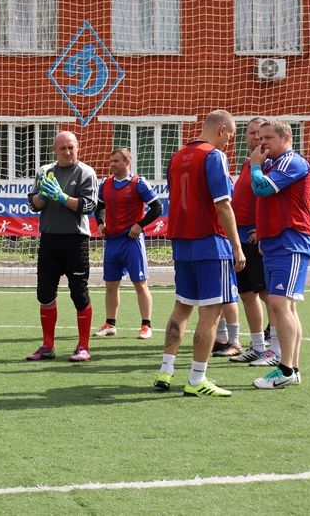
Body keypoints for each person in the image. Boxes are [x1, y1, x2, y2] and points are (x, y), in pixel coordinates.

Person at [153, 110, 245, 397]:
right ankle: (196, 379)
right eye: (230, 136)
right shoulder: (214, 156)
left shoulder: (176, 157)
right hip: (211, 244)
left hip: (181, 243)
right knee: (210, 314)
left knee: (181, 307)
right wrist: (237, 246)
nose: (229, 142)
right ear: (222, 130)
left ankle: (166, 369)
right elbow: (223, 205)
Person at [249, 120, 310, 389]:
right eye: (260, 137)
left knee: (279, 303)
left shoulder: (292, 162)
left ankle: (285, 369)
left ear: (286, 138)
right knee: (285, 306)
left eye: (268, 137)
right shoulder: (273, 164)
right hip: (275, 243)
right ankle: (292, 368)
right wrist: (264, 236)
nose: (262, 142)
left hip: (291, 242)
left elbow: (262, 188)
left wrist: (254, 165)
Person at [25, 131, 98, 363]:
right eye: (63, 148)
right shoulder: (44, 171)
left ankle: (83, 346)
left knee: (79, 294)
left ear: (78, 148)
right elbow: (34, 204)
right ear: (54, 150)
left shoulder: (86, 172)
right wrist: (44, 195)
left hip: (76, 241)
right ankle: (47, 346)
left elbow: (89, 206)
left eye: (71, 147)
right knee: (45, 294)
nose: (67, 152)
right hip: (49, 240)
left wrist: (61, 196)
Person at [93, 147, 163, 340]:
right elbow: (100, 207)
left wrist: (139, 225)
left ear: (126, 162)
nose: (112, 164)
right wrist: (100, 223)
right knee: (110, 285)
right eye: (111, 161)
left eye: (116, 161)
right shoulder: (105, 183)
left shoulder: (138, 183)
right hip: (112, 242)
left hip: (132, 242)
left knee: (140, 283)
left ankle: (146, 325)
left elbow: (157, 208)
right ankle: (110, 324)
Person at [228, 117, 273, 364]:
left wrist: (263, 228)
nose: (256, 137)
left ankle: (274, 344)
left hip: (255, 239)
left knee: (266, 294)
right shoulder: (249, 163)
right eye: (252, 133)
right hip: (240, 236)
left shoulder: (270, 164)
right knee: (246, 294)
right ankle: (257, 346)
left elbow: (272, 198)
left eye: (260, 133)